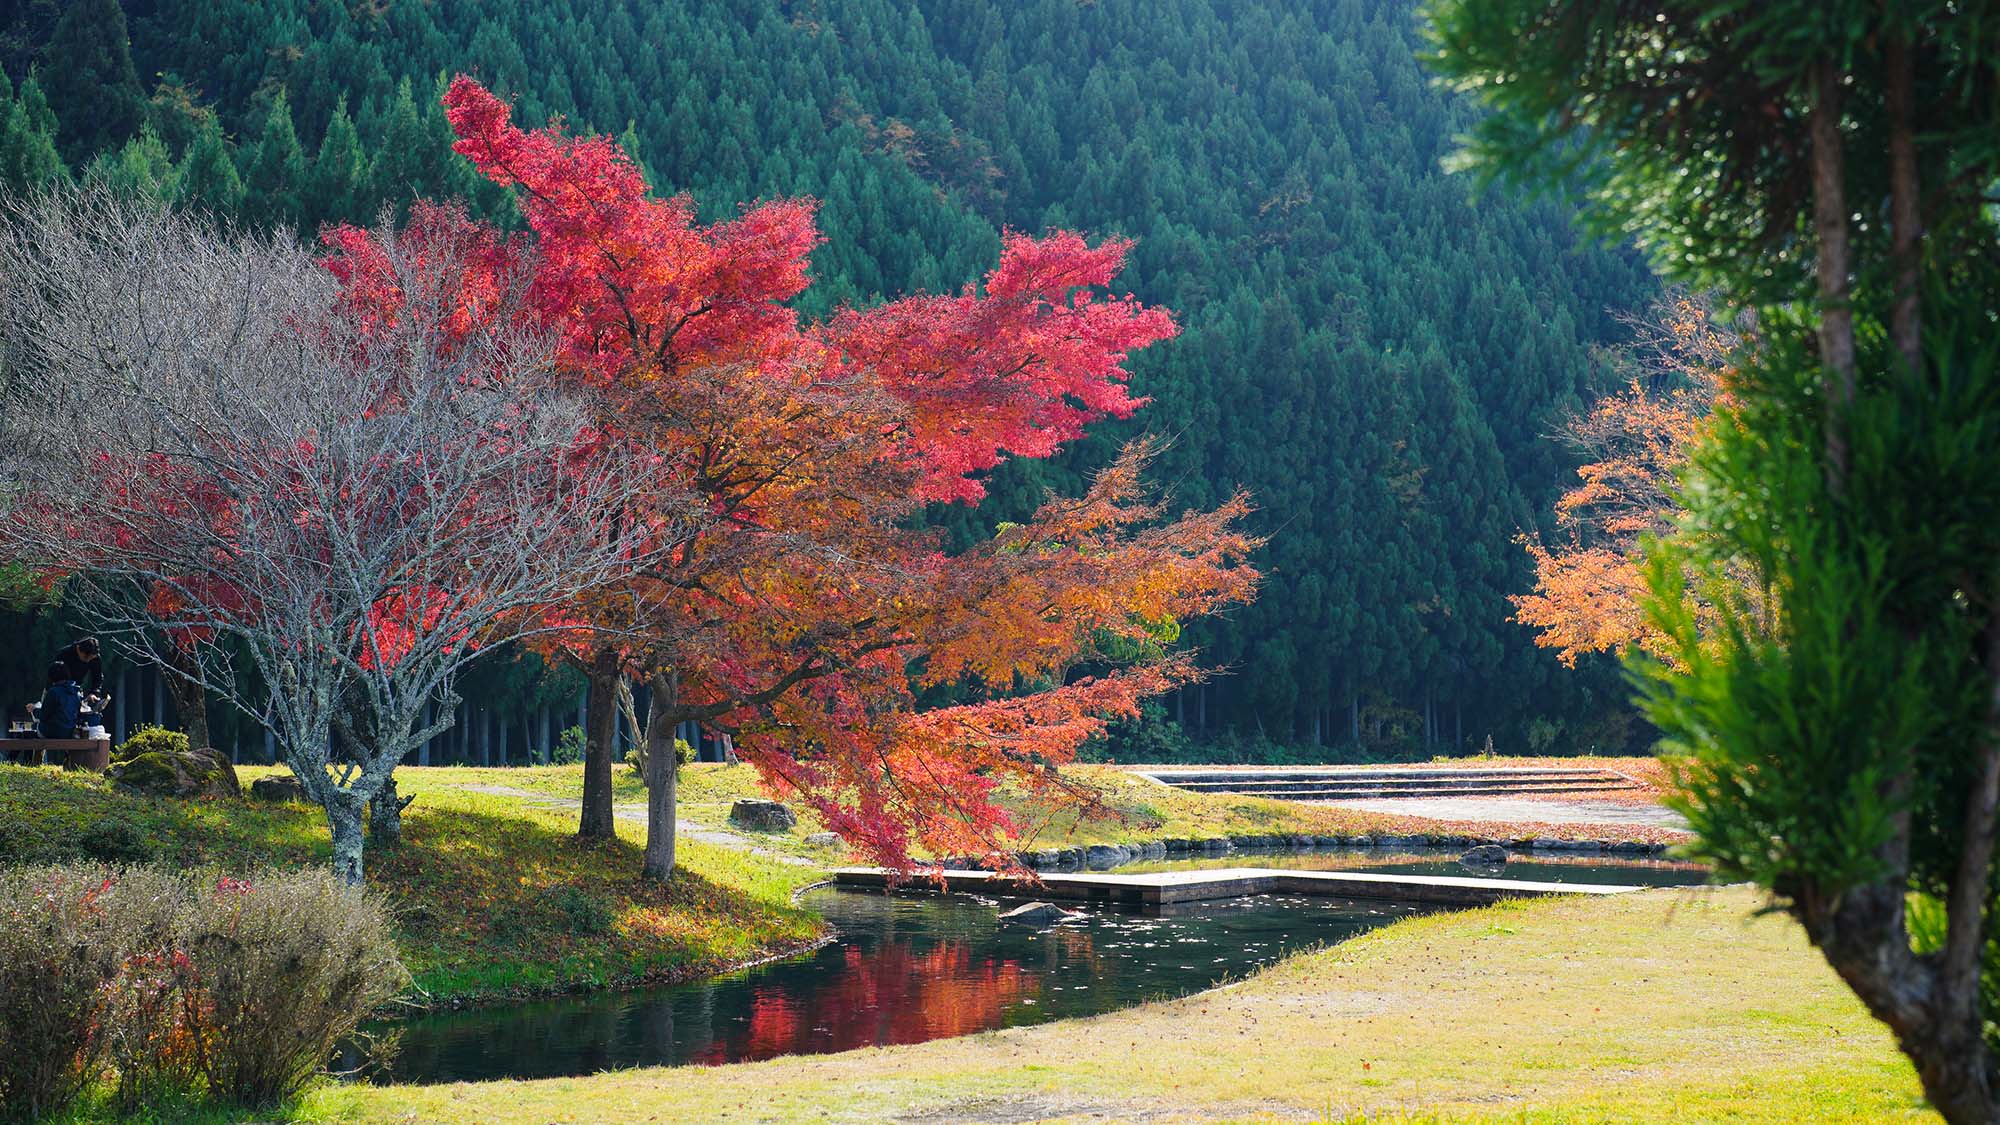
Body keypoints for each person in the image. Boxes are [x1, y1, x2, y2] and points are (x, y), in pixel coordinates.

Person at [38, 662, 82, 740]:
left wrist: (34, 710)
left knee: (36, 727)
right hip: (70, 732)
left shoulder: (53, 692)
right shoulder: (76, 692)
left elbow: (43, 716)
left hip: (53, 732)